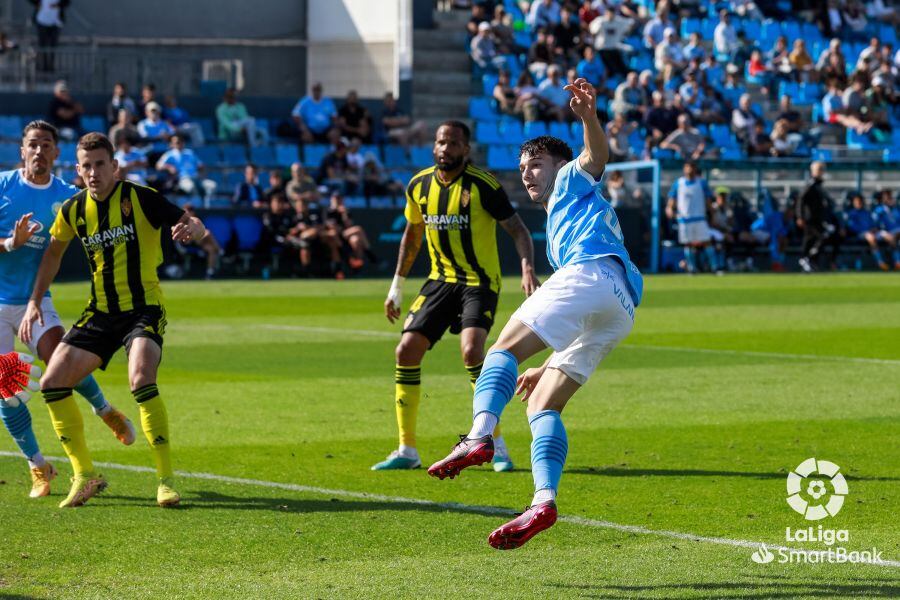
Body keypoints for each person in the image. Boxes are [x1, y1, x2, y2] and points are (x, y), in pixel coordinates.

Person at [427, 79, 641, 550]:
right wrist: (545, 362)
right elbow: (591, 306)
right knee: (543, 403)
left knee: (501, 348)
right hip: (620, 306)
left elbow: (595, 159)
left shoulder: (571, 179)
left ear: (559, 166)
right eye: (522, 168)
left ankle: (480, 435)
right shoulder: (569, 212)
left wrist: (588, 118)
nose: (527, 175)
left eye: (536, 164)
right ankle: (543, 500)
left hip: (590, 275)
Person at [19, 132, 206, 508]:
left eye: (100, 164)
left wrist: (196, 229)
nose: (93, 173)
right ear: (77, 170)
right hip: (101, 311)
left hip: (143, 307)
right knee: (53, 383)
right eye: (86, 166)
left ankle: (165, 480)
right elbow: (53, 253)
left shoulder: (141, 197)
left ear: (114, 166)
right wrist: (35, 300)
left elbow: (192, 222)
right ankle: (85, 474)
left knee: (140, 378)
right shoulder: (72, 210)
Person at [374, 120, 539, 472]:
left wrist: (526, 268)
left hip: (479, 282)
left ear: (466, 149)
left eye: (453, 143)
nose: (445, 148)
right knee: (406, 350)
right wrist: (396, 286)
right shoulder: (419, 185)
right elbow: (412, 236)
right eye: (440, 142)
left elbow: (518, 230)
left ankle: (494, 442)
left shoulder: (483, 185)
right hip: (439, 281)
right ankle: (407, 449)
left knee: (472, 350)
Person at [0, 121, 134, 499]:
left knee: (60, 361)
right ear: (21, 150)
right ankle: (38, 467)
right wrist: (12, 243)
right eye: (32, 144)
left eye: (46, 144)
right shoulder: (3, 186)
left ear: (57, 153)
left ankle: (105, 410)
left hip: (36, 300)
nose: (39, 150)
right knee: (6, 392)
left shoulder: (67, 196)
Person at [666, 161, 719, 274]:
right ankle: (692, 268)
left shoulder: (702, 183)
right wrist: (669, 208)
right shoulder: (678, 183)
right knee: (688, 244)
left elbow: (708, 201)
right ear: (684, 169)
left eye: (691, 167)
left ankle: (715, 267)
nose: (689, 169)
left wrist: (713, 215)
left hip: (700, 218)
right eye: (687, 167)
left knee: (706, 242)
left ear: (695, 169)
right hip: (684, 219)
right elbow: (672, 199)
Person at [796, 161, 839, 272]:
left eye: (822, 169)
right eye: (819, 169)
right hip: (810, 218)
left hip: (818, 218)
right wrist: (800, 216)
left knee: (813, 239)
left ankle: (808, 260)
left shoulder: (819, 185)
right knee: (819, 237)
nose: (821, 172)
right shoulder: (811, 184)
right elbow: (801, 199)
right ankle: (807, 258)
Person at [845, 192, 894, 271]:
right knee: (871, 237)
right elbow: (852, 227)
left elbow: (874, 223)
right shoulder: (851, 214)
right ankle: (880, 262)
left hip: (873, 232)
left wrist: (874, 228)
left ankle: (896, 261)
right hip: (861, 234)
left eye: (860, 201)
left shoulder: (866, 212)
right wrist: (866, 231)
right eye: (857, 201)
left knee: (890, 237)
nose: (859, 203)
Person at [155, 134, 211, 198]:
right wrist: (169, 167)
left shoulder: (189, 152)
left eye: (181, 141)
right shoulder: (169, 155)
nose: (179, 144)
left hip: (196, 178)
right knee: (191, 187)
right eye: (177, 142)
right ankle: (197, 206)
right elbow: (158, 166)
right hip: (182, 179)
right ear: (172, 144)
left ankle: (207, 206)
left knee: (211, 186)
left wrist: (202, 173)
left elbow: (200, 165)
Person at [178, 203, 221, 280]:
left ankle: (210, 272)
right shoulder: (181, 221)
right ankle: (219, 249)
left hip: (198, 242)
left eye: (188, 212)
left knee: (211, 249)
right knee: (208, 233)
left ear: (192, 212)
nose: (186, 213)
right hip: (187, 242)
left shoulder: (196, 221)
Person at [29, 0, 68, 71]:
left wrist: (58, 5)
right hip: (42, 21)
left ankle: (51, 67)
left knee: (53, 46)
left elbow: (66, 2)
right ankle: (42, 66)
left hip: (55, 22)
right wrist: (37, 3)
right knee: (42, 45)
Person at [873, 190, 900, 270]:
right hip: (882, 232)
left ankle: (897, 262)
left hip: (896, 232)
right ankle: (896, 262)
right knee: (892, 238)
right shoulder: (879, 210)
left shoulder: (896, 210)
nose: (889, 199)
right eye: (887, 197)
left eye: (890, 197)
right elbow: (876, 225)